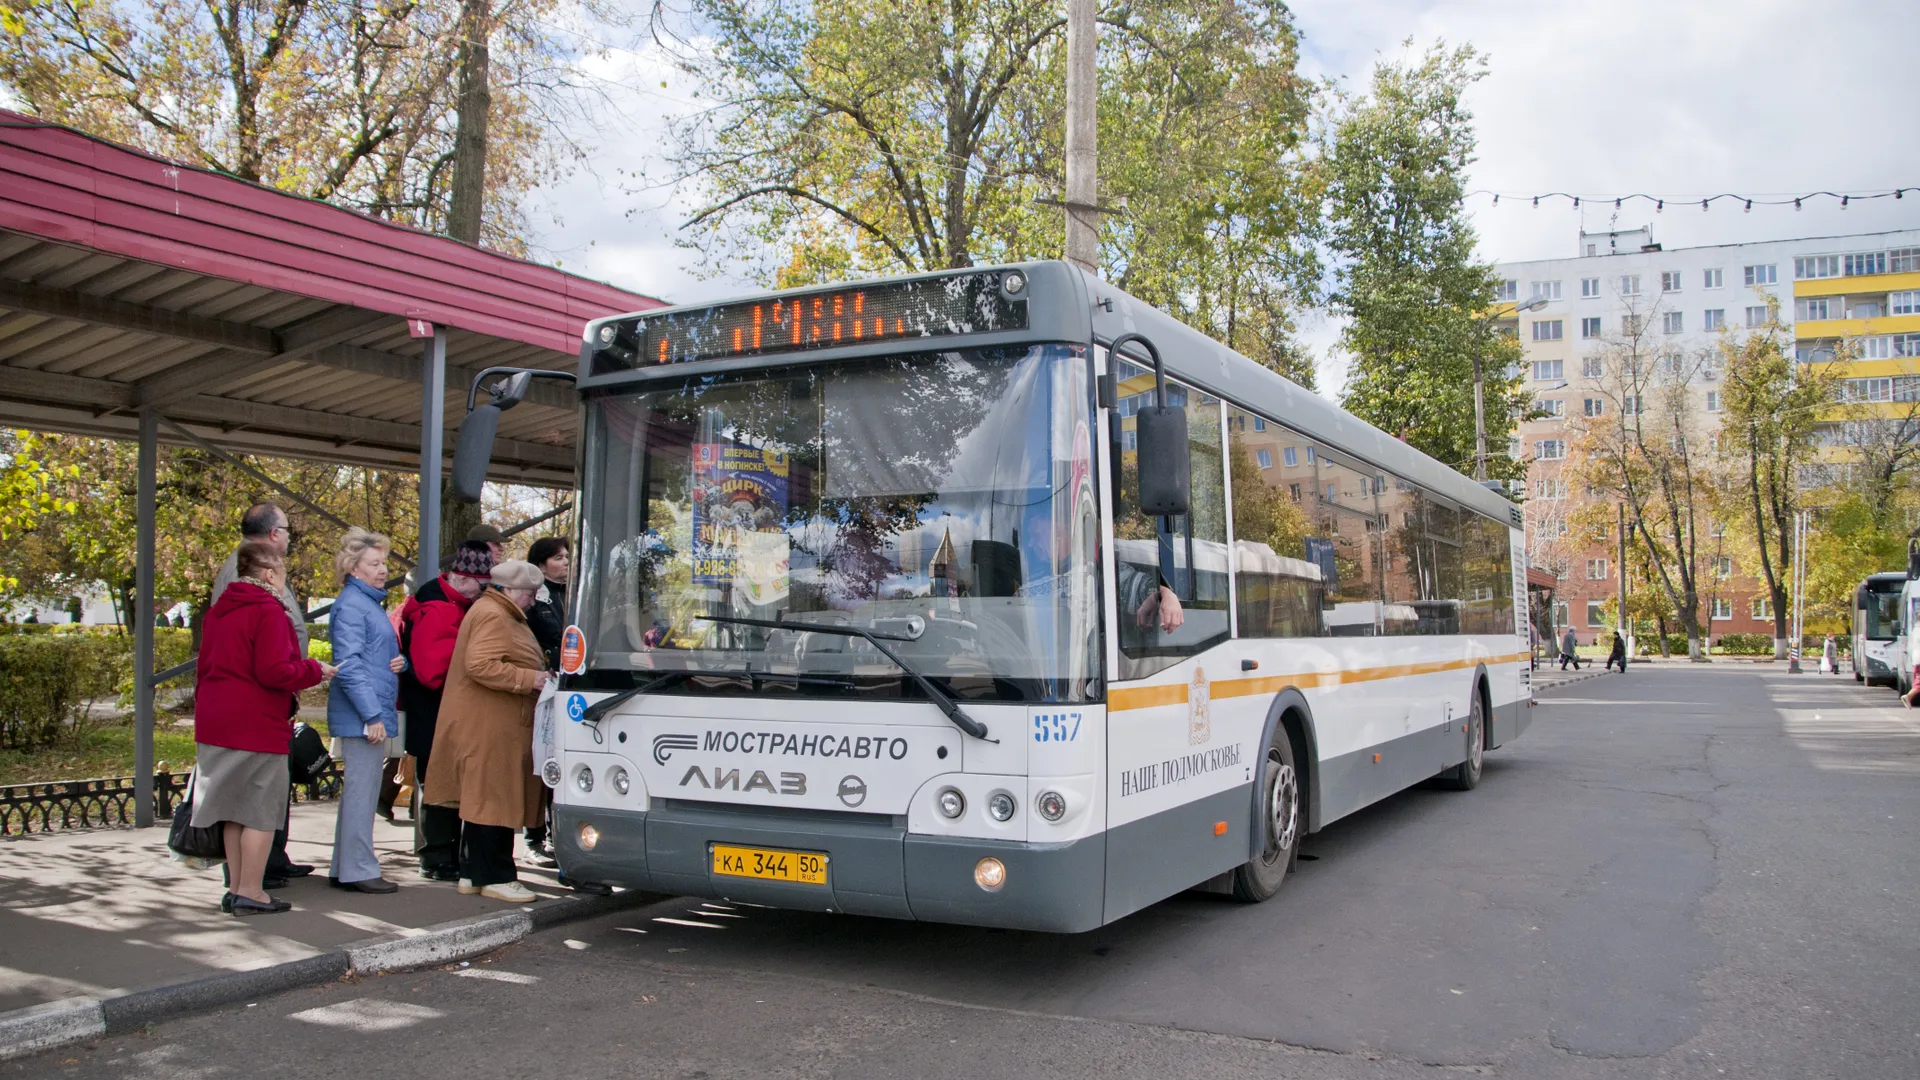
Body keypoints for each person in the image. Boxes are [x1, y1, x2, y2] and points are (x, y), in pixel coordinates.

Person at [192, 540, 334, 915]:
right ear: (270, 574)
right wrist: (315, 670)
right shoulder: (269, 612)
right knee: (259, 812)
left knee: (233, 811)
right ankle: (252, 891)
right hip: (257, 724)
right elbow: (274, 671)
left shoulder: (220, 611)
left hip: (217, 722)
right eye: (284, 577)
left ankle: (236, 888)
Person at [426, 561, 552, 903]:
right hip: (490, 725)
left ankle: (472, 873)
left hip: (493, 722)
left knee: (487, 799)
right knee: (493, 800)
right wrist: (532, 679)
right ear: (510, 591)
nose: (531, 601)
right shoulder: (496, 614)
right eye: (528, 594)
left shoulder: (493, 609)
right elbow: (479, 664)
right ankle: (494, 875)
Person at [211, 502, 313, 886]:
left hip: (270, 701)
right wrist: (310, 671)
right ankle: (251, 879)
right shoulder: (248, 576)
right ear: (273, 534)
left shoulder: (253, 572)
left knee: (268, 791)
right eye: (287, 529)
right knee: (252, 798)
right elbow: (261, 656)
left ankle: (269, 861)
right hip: (259, 703)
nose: (288, 537)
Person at [398, 542, 494, 881]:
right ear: (463, 578)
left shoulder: (445, 603)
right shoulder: (438, 610)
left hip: (438, 713)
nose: (484, 593)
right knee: (439, 789)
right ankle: (437, 857)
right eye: (481, 586)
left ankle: (443, 854)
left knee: (442, 786)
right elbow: (431, 672)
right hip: (435, 714)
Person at [326, 528, 409, 894]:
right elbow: (349, 665)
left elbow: (370, 658)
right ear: (354, 567)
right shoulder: (353, 605)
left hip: (366, 710)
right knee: (362, 792)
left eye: (383, 563)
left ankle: (345, 866)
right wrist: (372, 715)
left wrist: (399, 663)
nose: (381, 569)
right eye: (374, 563)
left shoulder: (363, 603)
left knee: (359, 792)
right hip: (364, 715)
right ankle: (358, 868)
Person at [522, 537, 570, 865]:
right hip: (544, 686)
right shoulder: (537, 598)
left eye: (568, 556)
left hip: (572, 686)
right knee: (543, 760)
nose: (566, 562)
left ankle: (557, 834)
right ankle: (534, 837)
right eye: (558, 557)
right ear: (542, 564)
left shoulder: (577, 592)